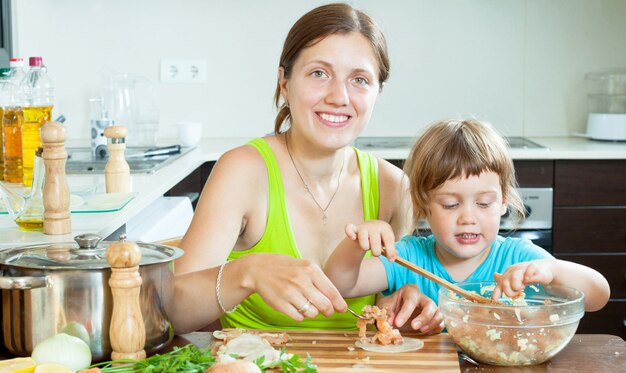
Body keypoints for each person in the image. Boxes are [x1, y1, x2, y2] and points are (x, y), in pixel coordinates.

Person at [168, 3, 413, 334]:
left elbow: (392, 300)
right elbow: (173, 312)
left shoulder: (395, 187)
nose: (339, 96)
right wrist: (247, 272)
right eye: (319, 73)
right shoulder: (243, 171)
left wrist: (410, 301)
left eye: (359, 79)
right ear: (284, 81)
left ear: (377, 92)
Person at [324, 119, 611, 319]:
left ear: (502, 202)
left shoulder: (518, 260)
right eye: (450, 204)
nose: (468, 218)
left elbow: (598, 296)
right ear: (424, 205)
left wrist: (552, 270)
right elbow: (340, 284)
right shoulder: (408, 258)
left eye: (484, 203)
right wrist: (359, 242)